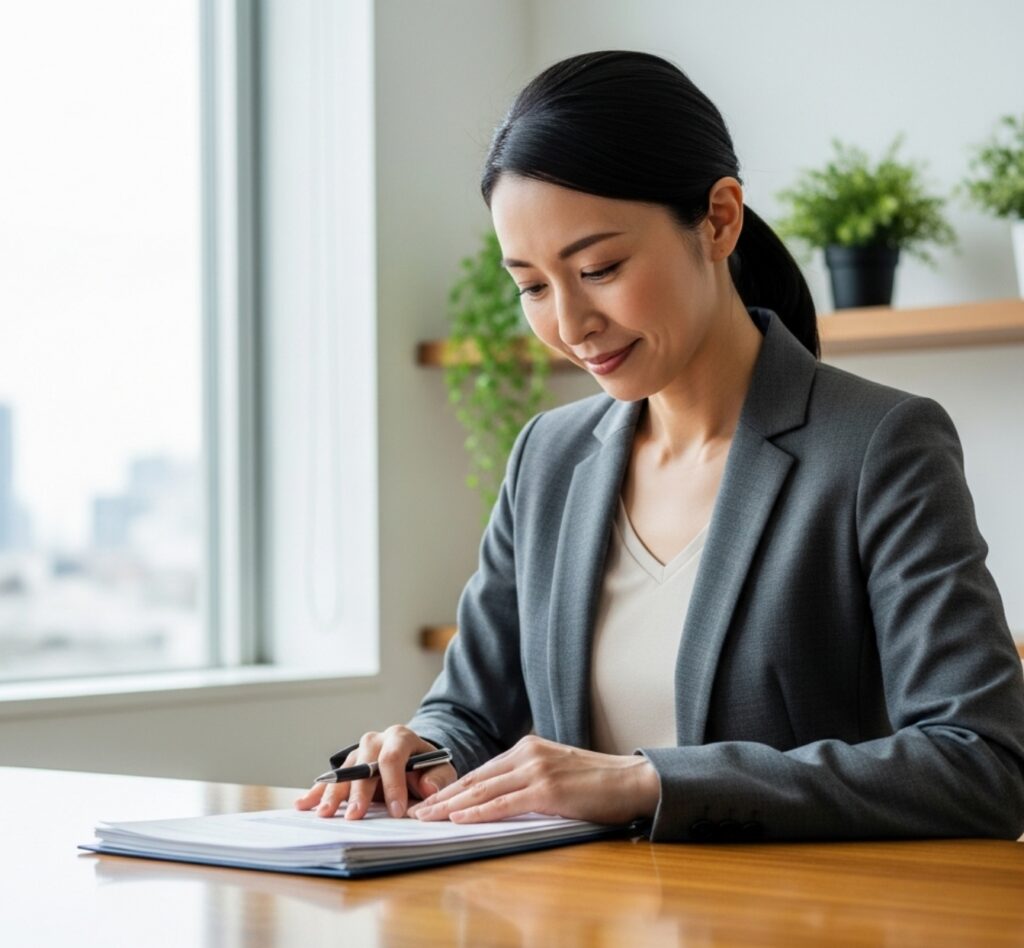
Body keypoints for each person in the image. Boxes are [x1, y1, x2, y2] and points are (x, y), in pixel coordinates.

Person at [296, 50, 1024, 841]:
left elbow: (981, 764)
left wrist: (649, 781)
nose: (570, 326)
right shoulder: (548, 457)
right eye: (532, 286)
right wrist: (424, 750)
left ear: (719, 220)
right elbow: (472, 711)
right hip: (578, 905)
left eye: (599, 268)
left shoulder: (879, 446)